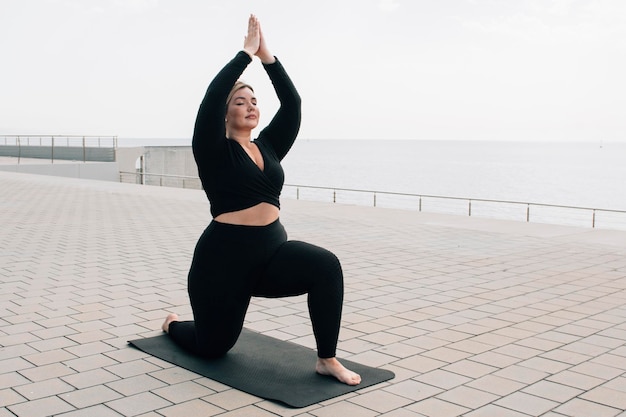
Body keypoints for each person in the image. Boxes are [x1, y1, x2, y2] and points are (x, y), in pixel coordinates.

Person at [161, 14, 361, 386]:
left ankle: (327, 359)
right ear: (225, 113)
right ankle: (174, 324)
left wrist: (268, 57)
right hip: (222, 263)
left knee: (326, 266)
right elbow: (209, 99)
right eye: (240, 102)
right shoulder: (212, 150)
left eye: (254, 101)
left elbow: (293, 104)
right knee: (213, 347)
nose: (251, 106)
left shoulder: (267, 146)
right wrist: (244, 55)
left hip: (271, 252)